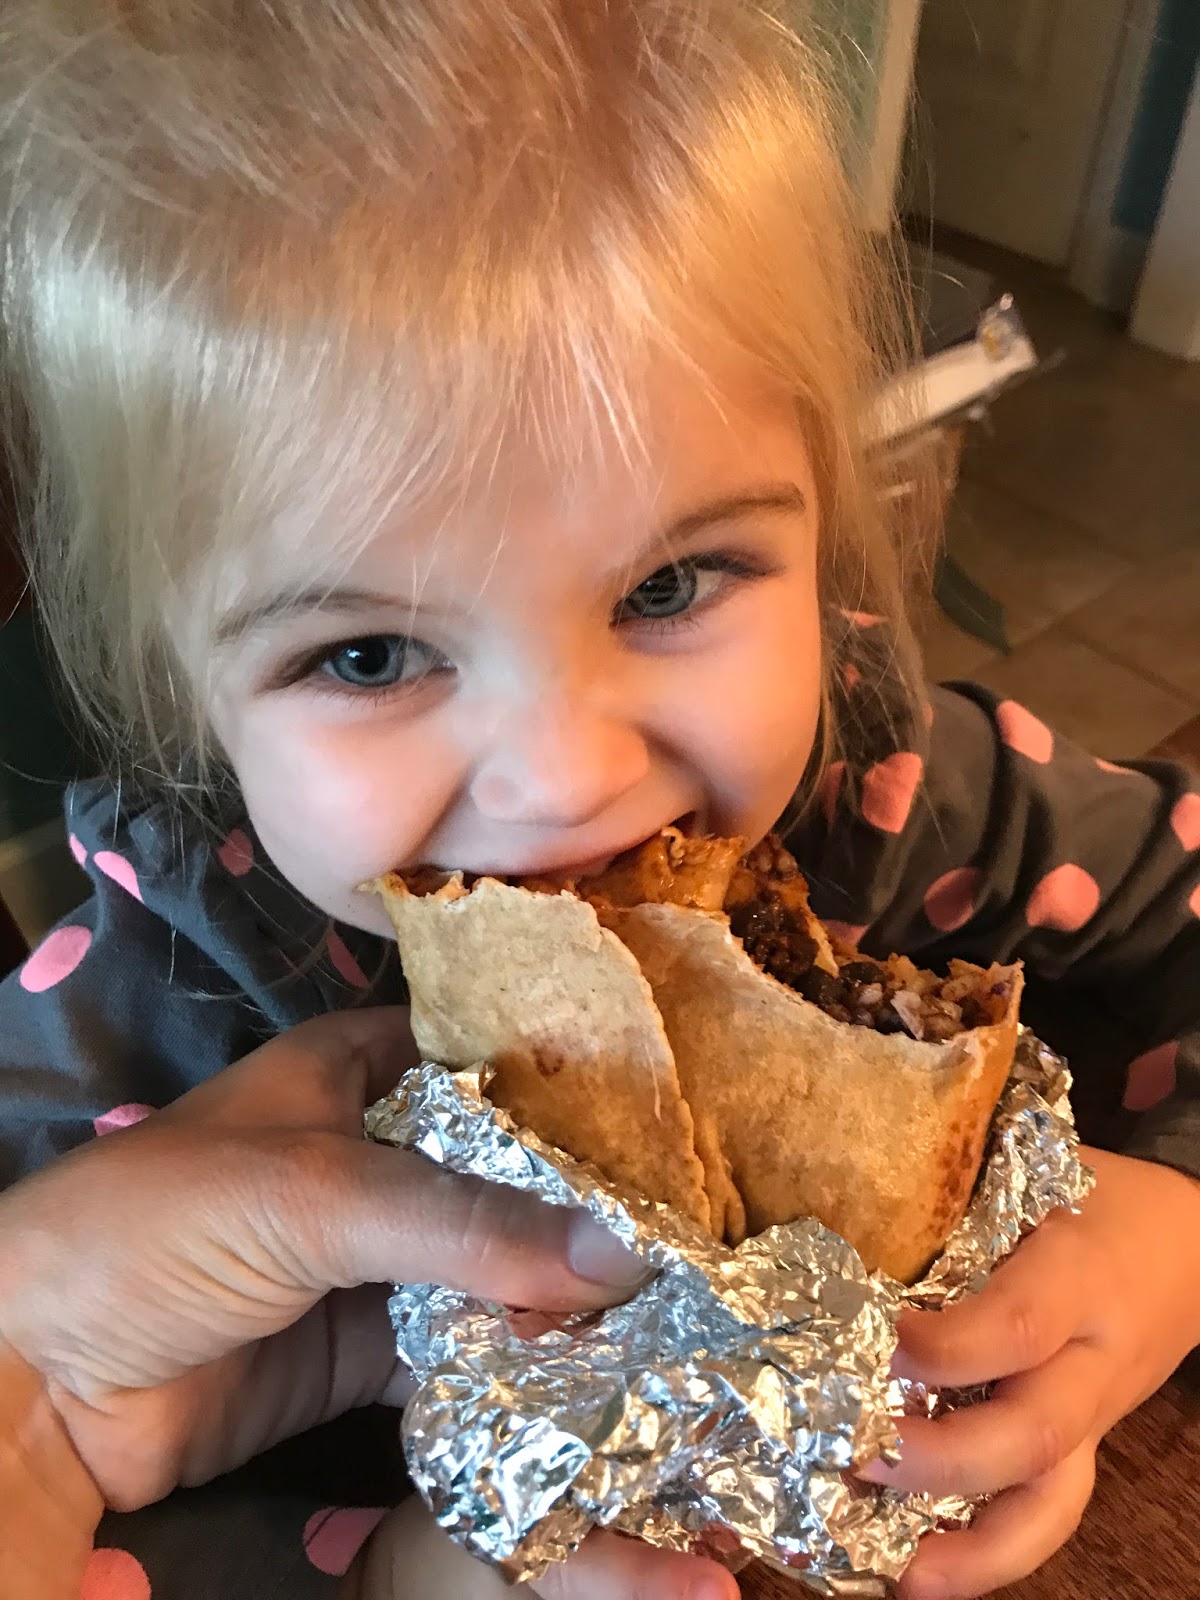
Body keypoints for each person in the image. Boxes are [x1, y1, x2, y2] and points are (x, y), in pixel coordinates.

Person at [0, 2, 1197, 1598]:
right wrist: (391, 1569)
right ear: (184, 681)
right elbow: (74, 1478)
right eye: (367, 655)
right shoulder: (133, 1033)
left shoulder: (889, 789)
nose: (567, 777)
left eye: (671, 583)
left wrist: (1178, 1225)